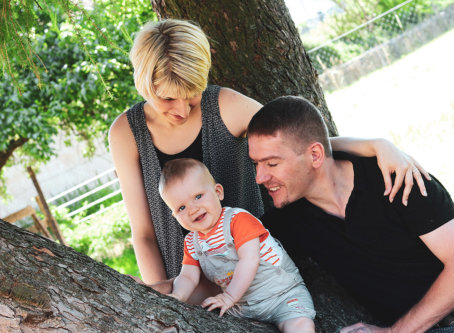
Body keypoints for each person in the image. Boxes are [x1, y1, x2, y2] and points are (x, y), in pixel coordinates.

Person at [108, 18, 429, 288]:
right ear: (144, 85)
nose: (180, 110)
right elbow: (144, 234)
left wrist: (377, 145)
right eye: (166, 99)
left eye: (191, 96)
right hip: (187, 282)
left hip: (257, 270)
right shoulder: (126, 134)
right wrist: (163, 301)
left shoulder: (224, 107)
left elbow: (300, 144)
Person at [247, 96, 454, 333]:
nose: (260, 177)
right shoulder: (290, 222)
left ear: (315, 155)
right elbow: (226, 255)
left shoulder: (394, 176)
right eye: (256, 164)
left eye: (271, 164)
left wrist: (394, 332)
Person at [158, 158, 316, 332]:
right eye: (181, 208)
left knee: (299, 325)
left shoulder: (237, 220)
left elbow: (249, 260)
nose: (192, 209)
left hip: (282, 295)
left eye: (198, 196)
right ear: (174, 216)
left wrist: (228, 297)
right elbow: (188, 276)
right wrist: (179, 296)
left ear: (218, 192)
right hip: (243, 308)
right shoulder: (191, 243)